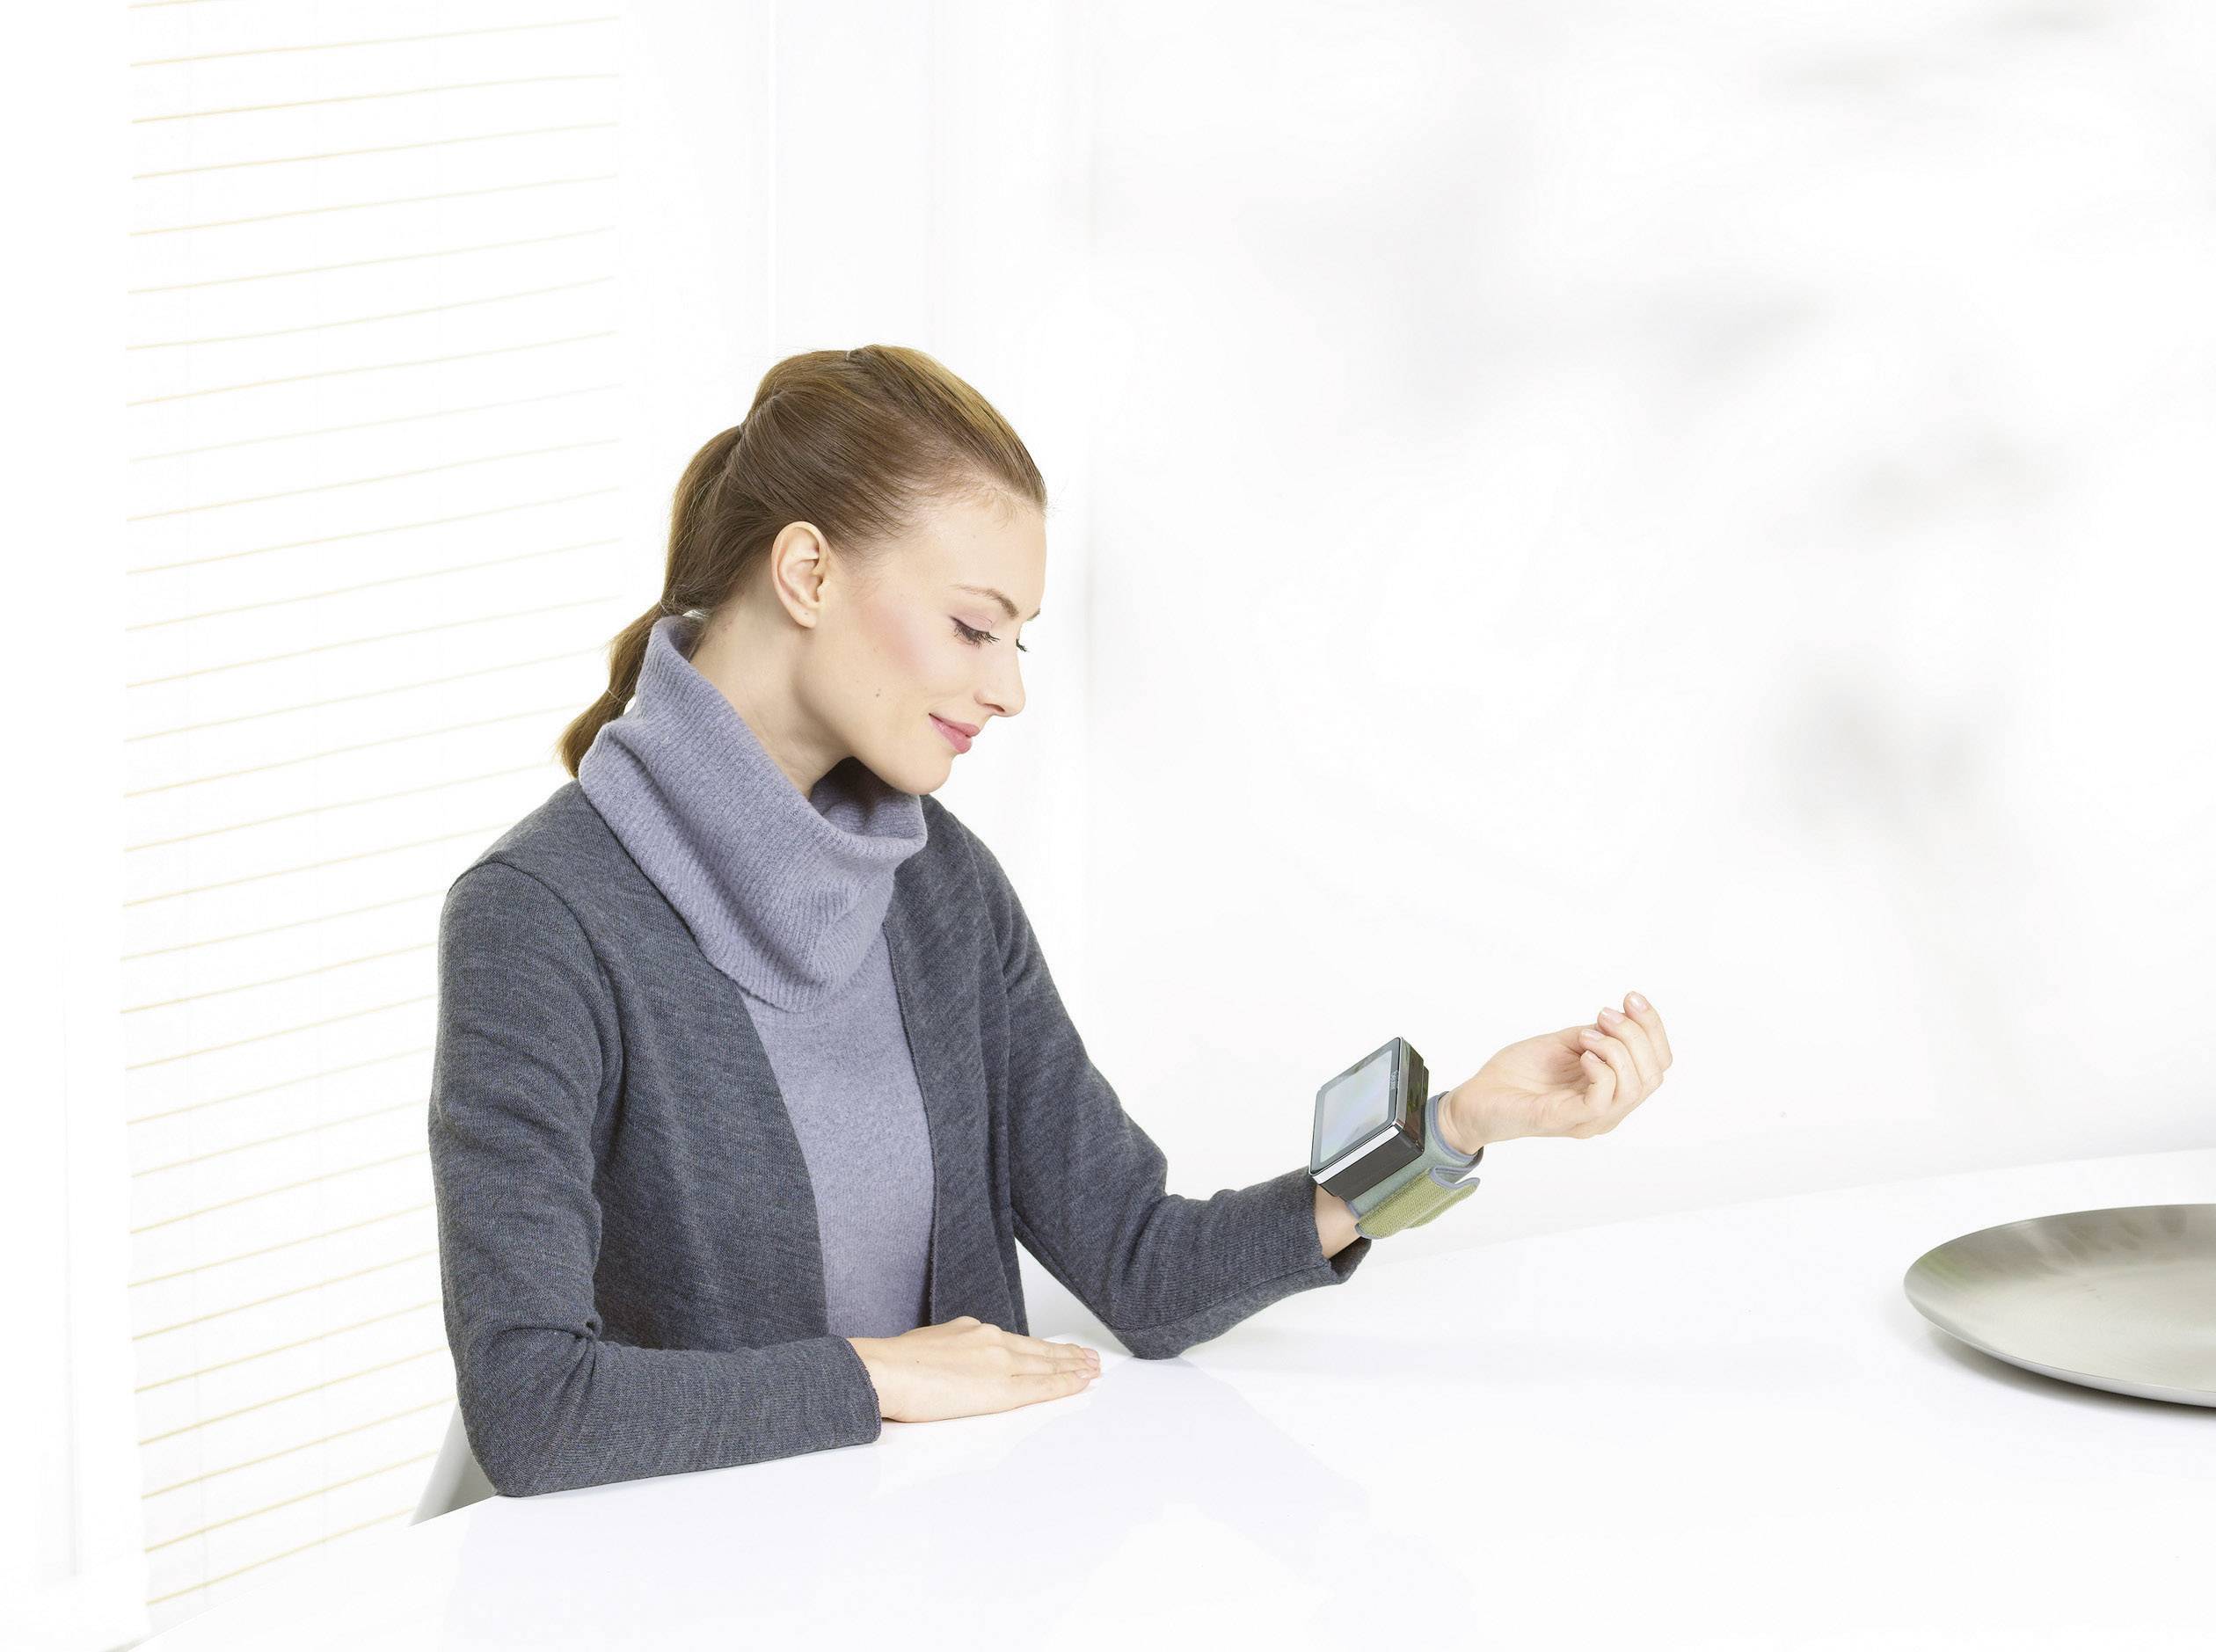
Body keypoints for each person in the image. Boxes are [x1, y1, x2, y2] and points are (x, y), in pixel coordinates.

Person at [427, 344, 1671, 1500]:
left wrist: (1450, 1129)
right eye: (974, 627)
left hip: (920, 1574)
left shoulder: (937, 886)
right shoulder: (542, 921)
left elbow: (1139, 1260)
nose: (1009, 688)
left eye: (1017, 639)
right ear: (808, 573)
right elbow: (535, 1406)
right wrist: (886, 1375)